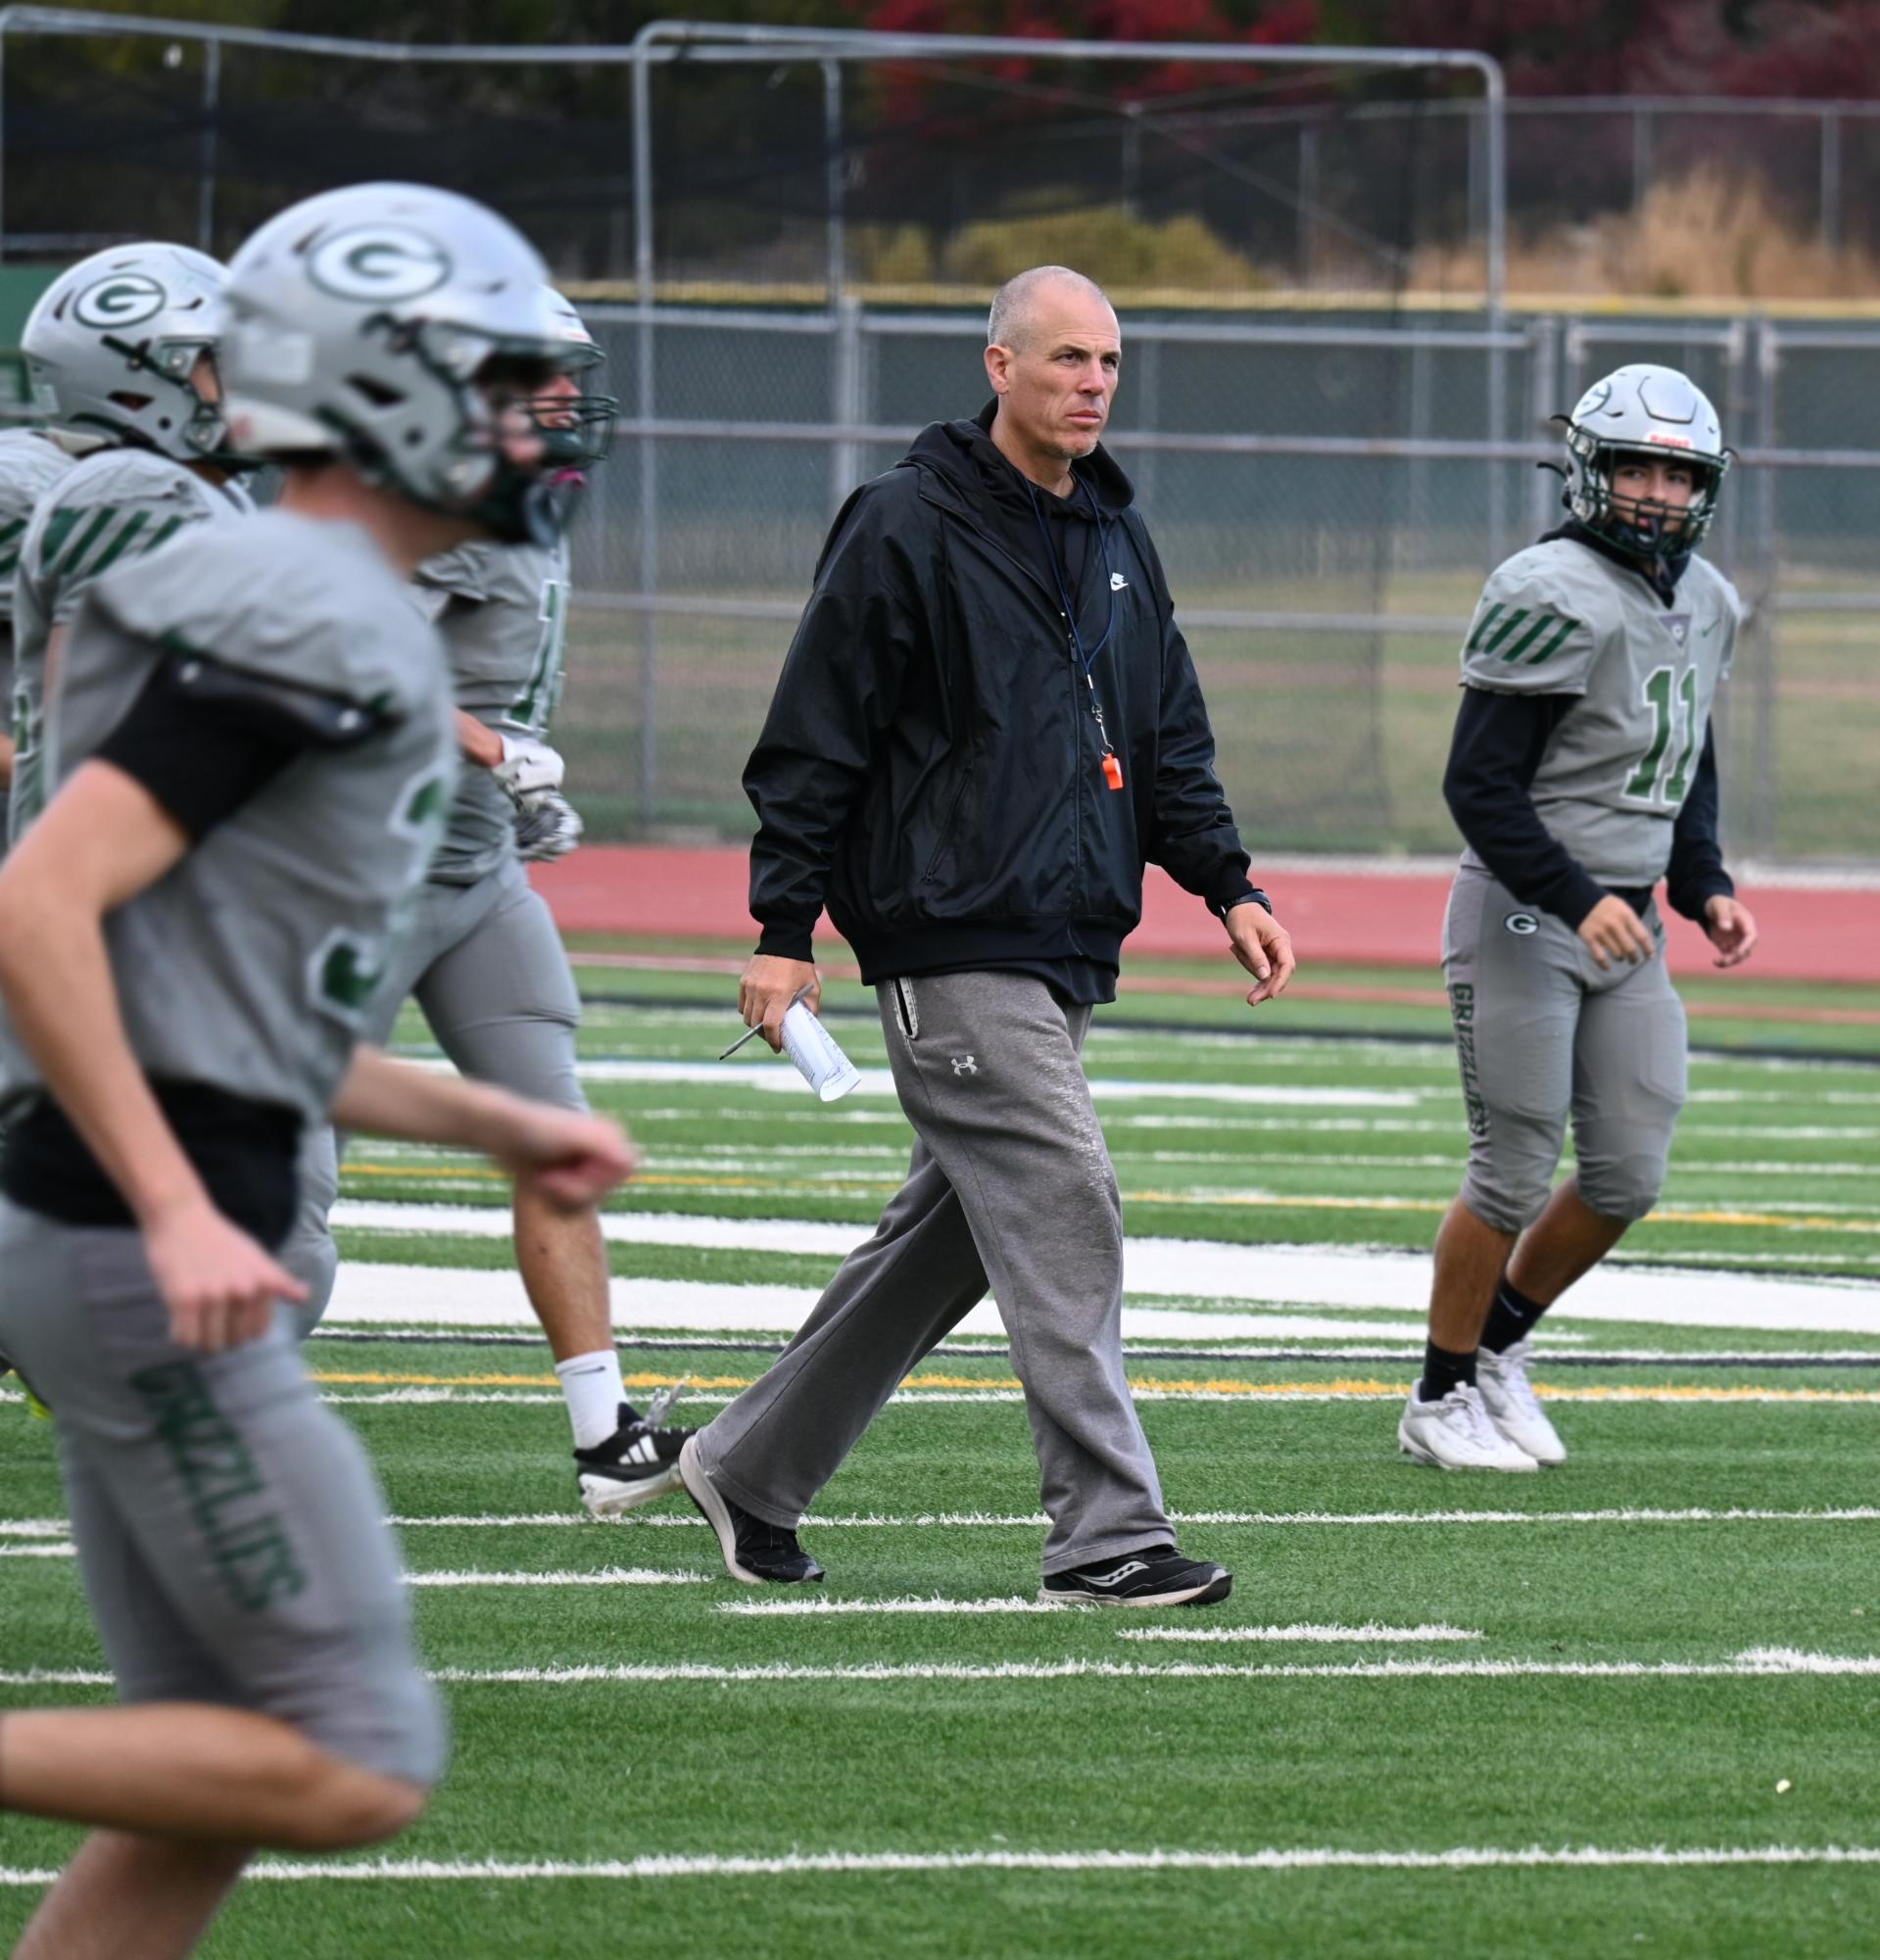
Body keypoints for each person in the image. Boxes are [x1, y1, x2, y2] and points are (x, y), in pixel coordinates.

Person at [0, 181, 638, 1960]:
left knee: (185, 1792)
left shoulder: (307, 596)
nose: (539, 419)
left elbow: (216, 996)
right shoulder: (309, 608)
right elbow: (41, 910)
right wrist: (173, 1206)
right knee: (348, 1757)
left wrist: (480, 1112)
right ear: (382, 387)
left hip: (132, 1214)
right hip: (150, 1244)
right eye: (504, 378)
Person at [678, 263, 1294, 1605]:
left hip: (1061, 938)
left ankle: (748, 1467)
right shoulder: (903, 522)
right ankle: (1104, 1534)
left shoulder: (1118, 539)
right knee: (1066, 1200)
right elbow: (812, 735)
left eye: (1108, 362)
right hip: (946, 936)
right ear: (996, 365)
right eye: (1065, 358)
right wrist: (785, 926)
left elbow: (1165, 733)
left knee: (952, 1235)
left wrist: (1227, 884)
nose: (1090, 384)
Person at [275, 287, 691, 1512]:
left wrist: (501, 786)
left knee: (554, 1142)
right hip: (350, 880)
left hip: (469, 877)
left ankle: (604, 1438)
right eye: (538, 374)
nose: (568, 396)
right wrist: (493, 751)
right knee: (292, 1188)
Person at [1399, 362, 1759, 1473]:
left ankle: (1498, 1350)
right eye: (1636, 467)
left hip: (1626, 920)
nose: (1654, 491)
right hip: (1523, 909)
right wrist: (1573, 896)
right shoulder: (1542, 586)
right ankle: (1436, 1394)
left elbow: (1684, 754)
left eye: (1675, 472)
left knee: (1626, 1171)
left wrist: (1701, 883)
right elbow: (1478, 786)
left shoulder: (1708, 599)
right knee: (1508, 1166)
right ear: (1591, 471)